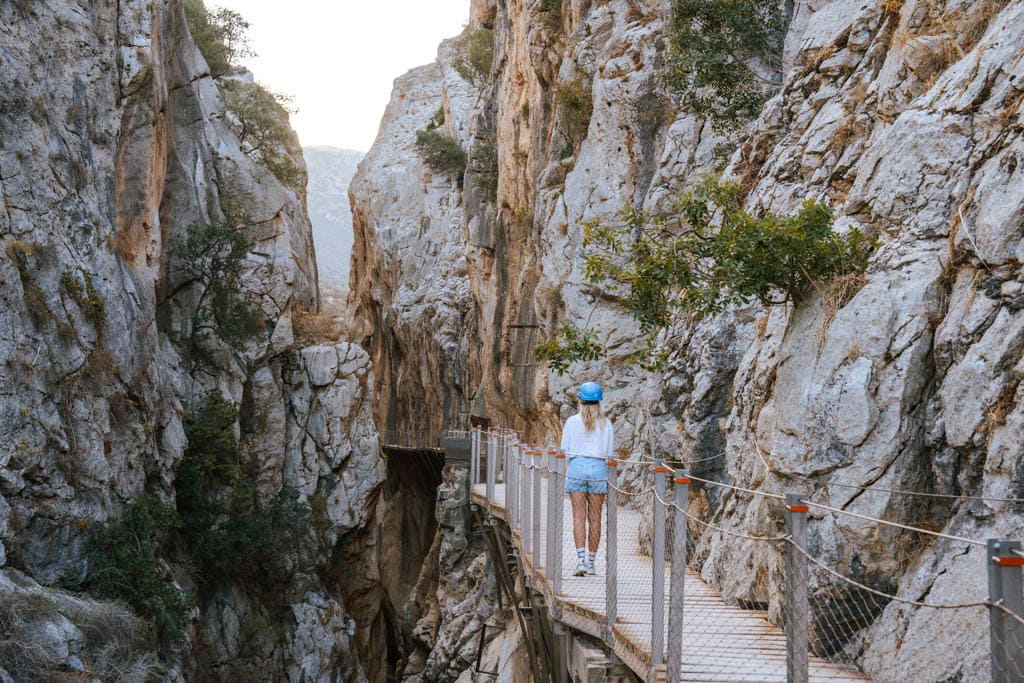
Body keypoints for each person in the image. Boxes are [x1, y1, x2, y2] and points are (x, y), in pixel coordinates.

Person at [561, 381, 614, 577]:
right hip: (598, 469)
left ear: (580, 401)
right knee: (595, 518)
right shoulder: (606, 423)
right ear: (599, 402)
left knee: (578, 517)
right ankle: (591, 563)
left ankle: (580, 561)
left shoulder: (571, 422)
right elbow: (609, 454)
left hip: (577, 467)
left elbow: (565, 450)